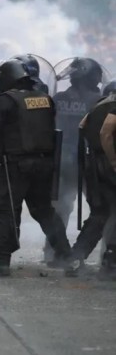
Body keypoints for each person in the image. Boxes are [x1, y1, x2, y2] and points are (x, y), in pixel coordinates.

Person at [0, 58, 71, 276]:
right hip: (44, 163)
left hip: (16, 165)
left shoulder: (6, 100)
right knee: (44, 211)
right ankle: (66, 255)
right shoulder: (45, 98)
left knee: (5, 210)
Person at [45, 58, 104, 262]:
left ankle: (54, 252)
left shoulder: (58, 98)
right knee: (101, 208)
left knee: (60, 206)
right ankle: (104, 256)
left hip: (62, 156)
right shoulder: (98, 100)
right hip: (89, 159)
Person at [66, 80, 116, 279]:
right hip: (107, 166)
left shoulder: (99, 104)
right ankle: (110, 262)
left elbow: (82, 125)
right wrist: (113, 159)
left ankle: (76, 257)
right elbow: (106, 131)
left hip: (93, 165)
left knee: (100, 213)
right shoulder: (112, 106)